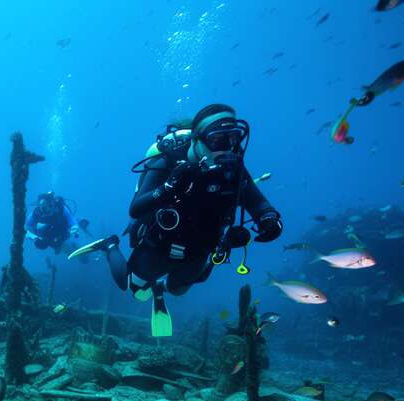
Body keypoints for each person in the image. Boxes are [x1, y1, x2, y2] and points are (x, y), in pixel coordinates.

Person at [71, 103, 282, 337]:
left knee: (178, 289)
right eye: (218, 140)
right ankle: (109, 245)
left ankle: (160, 289)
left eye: (233, 138)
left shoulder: (234, 170)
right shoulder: (167, 162)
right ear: (197, 139)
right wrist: (169, 186)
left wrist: (269, 219)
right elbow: (136, 209)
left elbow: (257, 201)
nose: (228, 148)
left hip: (200, 247)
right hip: (159, 241)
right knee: (133, 288)